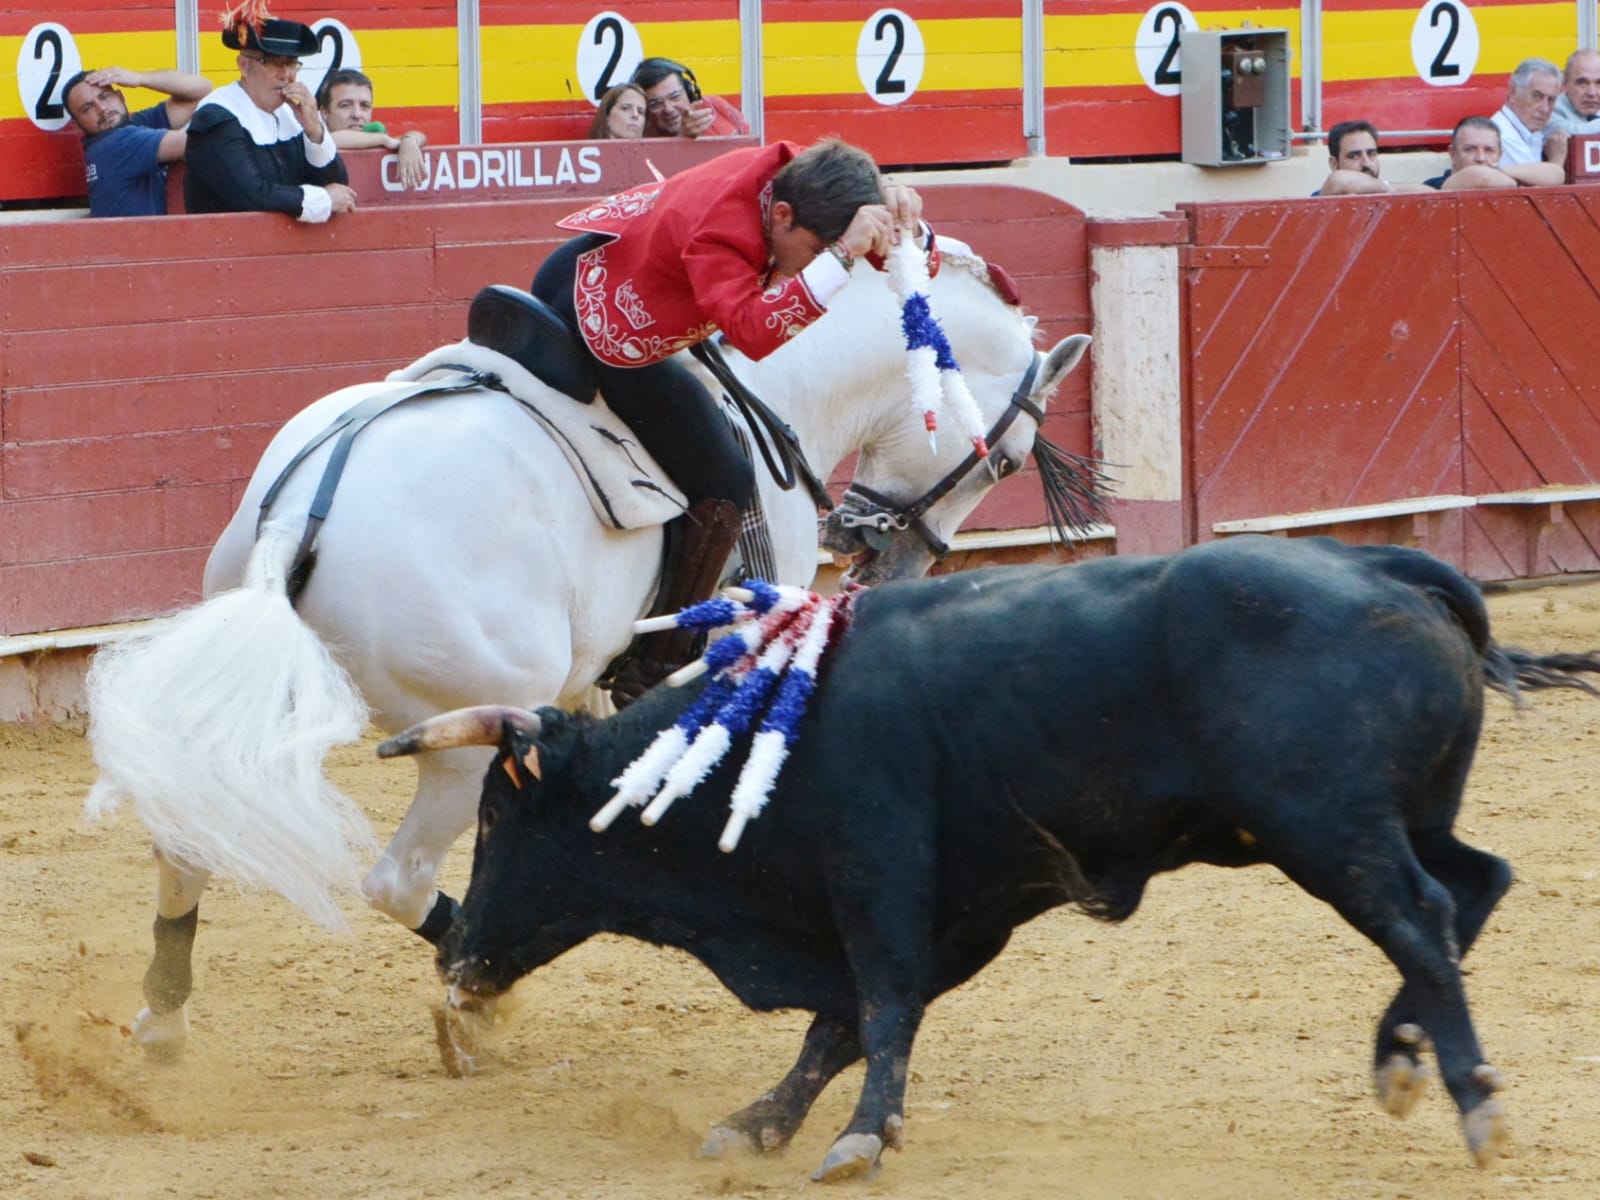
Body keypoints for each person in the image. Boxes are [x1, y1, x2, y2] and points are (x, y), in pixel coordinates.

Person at [528, 138, 919, 703]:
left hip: (619, 267)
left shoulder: (800, 178)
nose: (811, 264)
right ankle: (659, 659)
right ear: (781, 216)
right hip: (606, 315)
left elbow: (875, 248)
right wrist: (838, 259)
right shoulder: (719, 229)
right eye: (812, 250)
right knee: (726, 477)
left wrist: (902, 216)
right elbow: (753, 332)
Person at [183, 3, 354, 221]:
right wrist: (324, 199)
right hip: (226, 250)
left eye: (292, 64)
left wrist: (315, 131)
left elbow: (338, 186)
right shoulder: (217, 117)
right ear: (244, 66)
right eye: (274, 63)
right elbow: (252, 195)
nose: (287, 76)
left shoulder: (291, 115)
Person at [62, 66, 212, 217]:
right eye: (87, 108)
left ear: (120, 97)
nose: (101, 108)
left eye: (104, 96)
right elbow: (195, 143)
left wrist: (140, 78)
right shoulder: (115, 144)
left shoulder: (131, 128)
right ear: (76, 125)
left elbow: (202, 89)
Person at [316, 67, 428, 190]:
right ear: (324, 112)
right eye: (345, 105)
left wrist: (409, 141)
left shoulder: (376, 136)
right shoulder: (312, 138)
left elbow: (420, 136)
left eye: (365, 106)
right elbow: (331, 140)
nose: (357, 114)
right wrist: (384, 140)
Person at [1423, 116, 1564, 190]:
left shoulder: (1504, 175)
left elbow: (1557, 174)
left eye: (1489, 150)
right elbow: (1479, 175)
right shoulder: (1434, 185)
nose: (1481, 158)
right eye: (1470, 149)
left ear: (1500, 154)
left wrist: (1499, 170)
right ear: (1453, 154)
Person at [630, 57, 750, 139]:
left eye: (675, 96)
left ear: (689, 92)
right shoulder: (640, 138)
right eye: (656, 104)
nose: (668, 109)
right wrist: (682, 139)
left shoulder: (715, 105)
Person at [1314, 120, 1431, 195]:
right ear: (1333, 163)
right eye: (1354, 156)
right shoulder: (1324, 194)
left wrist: (1385, 188)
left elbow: (1430, 194)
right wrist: (1385, 189)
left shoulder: (1386, 190)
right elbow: (1339, 180)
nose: (1366, 163)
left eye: (1371, 154)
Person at [1491, 58, 1567, 167]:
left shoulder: (1531, 131)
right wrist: (1557, 161)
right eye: (1536, 96)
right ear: (1513, 93)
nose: (1545, 109)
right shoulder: (1504, 137)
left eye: (1551, 99)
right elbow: (1543, 183)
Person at [1547, 48, 1600, 136]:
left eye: (1599, 83)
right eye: (1582, 83)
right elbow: (1574, 134)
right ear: (1564, 84)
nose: (1592, 93)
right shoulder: (1549, 110)